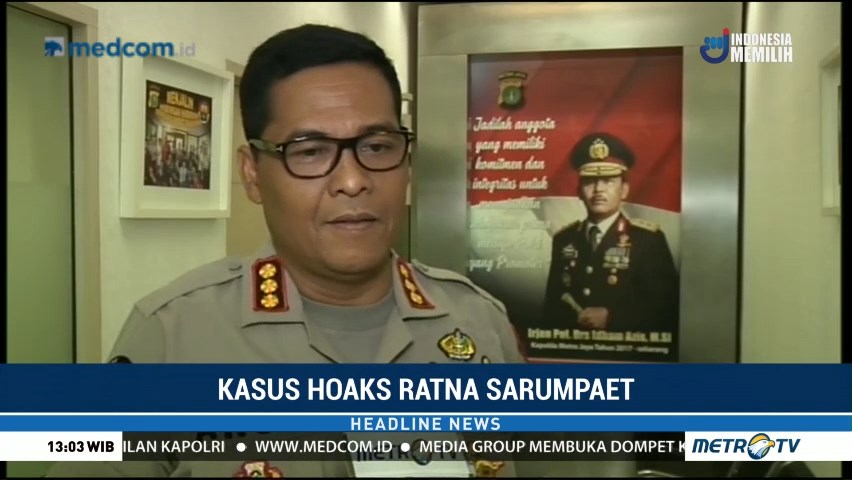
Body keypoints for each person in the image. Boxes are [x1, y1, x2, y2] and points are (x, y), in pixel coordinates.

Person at [46, 24, 524, 478]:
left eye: (377, 146)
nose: (353, 181)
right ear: (252, 174)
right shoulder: (172, 336)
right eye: (310, 151)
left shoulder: (479, 321)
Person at [541, 133, 679, 334]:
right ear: (579, 191)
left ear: (624, 190)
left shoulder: (648, 240)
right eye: (590, 181)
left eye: (608, 181)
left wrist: (612, 317)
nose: (598, 189)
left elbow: (667, 309)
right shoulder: (564, 239)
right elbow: (551, 310)